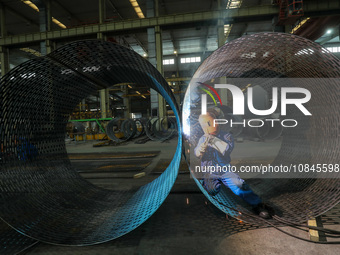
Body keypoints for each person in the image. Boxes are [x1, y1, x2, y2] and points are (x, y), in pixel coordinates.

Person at [195, 108, 273, 219]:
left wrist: (211, 140)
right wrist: (200, 150)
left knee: (238, 184)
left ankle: (257, 204)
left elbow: (226, 149)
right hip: (210, 171)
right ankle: (216, 202)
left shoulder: (227, 136)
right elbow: (197, 153)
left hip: (225, 170)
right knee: (211, 189)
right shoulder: (203, 139)